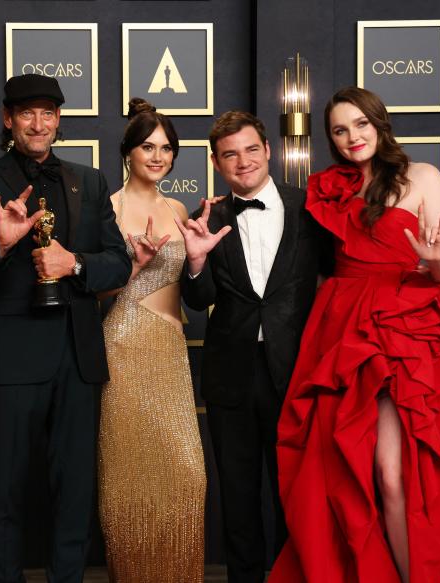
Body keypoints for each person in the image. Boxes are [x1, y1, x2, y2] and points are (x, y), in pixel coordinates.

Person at [268, 86, 440, 583]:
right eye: (340, 131)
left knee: (396, 474)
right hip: (343, 333)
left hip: (404, 328)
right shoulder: (331, 189)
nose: (352, 138)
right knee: (342, 470)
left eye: (360, 125)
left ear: (378, 123)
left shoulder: (423, 178)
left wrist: (437, 263)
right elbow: (318, 268)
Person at [0, 74, 131, 583]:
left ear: (58, 120)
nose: (39, 123)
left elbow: (117, 264)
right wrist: (4, 246)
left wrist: (72, 262)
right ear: (8, 119)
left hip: (77, 358)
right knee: (2, 492)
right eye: (27, 113)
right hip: (11, 358)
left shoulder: (89, 180)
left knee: (74, 494)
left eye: (48, 113)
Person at [179, 111, 332, 583]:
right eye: (230, 155)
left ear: (269, 151)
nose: (242, 162)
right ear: (216, 163)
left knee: (297, 492)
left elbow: (335, 282)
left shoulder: (309, 208)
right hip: (232, 377)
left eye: (250, 150)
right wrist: (196, 262)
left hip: (298, 373)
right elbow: (199, 300)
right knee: (239, 496)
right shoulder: (207, 217)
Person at [97, 98, 206, 582]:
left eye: (167, 148)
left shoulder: (179, 208)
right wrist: (132, 267)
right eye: (148, 146)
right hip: (121, 343)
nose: (158, 156)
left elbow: (195, 289)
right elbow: (91, 289)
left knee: (188, 476)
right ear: (127, 152)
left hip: (170, 350)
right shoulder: (108, 208)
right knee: (127, 482)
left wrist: (199, 260)